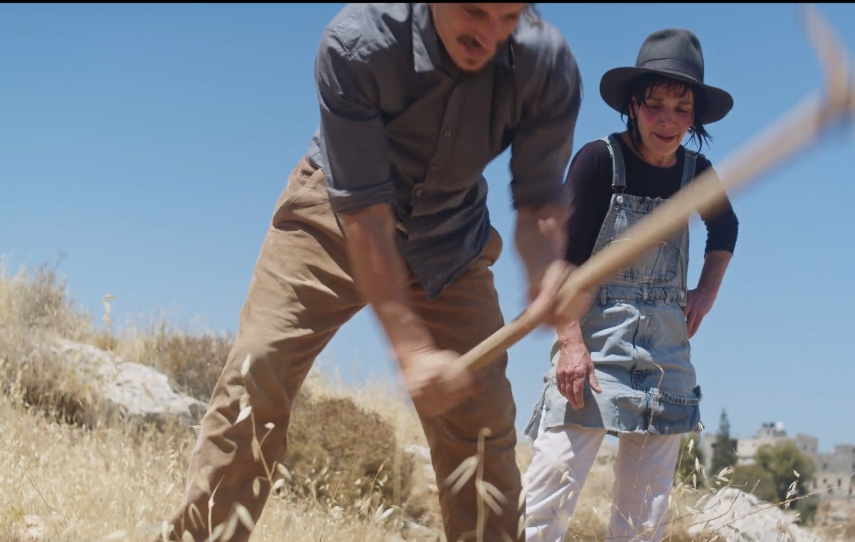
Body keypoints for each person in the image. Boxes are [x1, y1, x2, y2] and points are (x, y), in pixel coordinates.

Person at [161, 3, 583, 542]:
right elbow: (365, 217)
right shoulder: (356, 43)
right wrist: (409, 347)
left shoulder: (546, 66)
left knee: (482, 421)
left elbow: (539, 200)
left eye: (508, 17)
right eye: (475, 11)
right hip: (336, 214)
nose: (490, 34)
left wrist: (546, 270)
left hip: (451, 235)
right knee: (258, 370)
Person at [521, 28, 739, 542]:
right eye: (656, 105)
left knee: (644, 514)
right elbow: (560, 261)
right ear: (634, 106)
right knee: (551, 487)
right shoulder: (600, 162)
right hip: (595, 342)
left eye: (681, 109)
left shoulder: (695, 173)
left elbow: (725, 227)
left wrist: (706, 292)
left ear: (694, 117)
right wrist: (570, 345)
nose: (667, 120)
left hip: (666, 350)